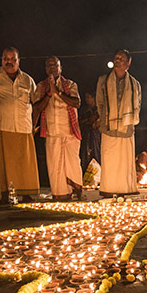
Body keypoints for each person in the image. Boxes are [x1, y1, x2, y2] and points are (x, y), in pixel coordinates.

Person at [0, 47, 38, 205]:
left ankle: (27, 194)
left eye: (12, 59)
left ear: (18, 61)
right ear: (1, 60)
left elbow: (36, 102)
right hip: (4, 124)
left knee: (26, 161)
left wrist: (36, 124)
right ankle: (6, 194)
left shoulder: (27, 79)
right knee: (5, 162)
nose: (9, 62)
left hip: (24, 125)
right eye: (6, 59)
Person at [34, 56, 83, 201]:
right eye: (49, 65)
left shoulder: (70, 84)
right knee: (55, 166)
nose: (52, 67)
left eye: (55, 65)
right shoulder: (41, 87)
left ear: (61, 68)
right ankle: (61, 194)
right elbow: (37, 107)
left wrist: (58, 93)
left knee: (73, 163)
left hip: (70, 132)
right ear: (45, 69)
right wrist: (49, 94)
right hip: (52, 133)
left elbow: (76, 103)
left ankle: (76, 191)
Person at [96, 49, 141, 197]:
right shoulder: (103, 80)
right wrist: (107, 118)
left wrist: (126, 120)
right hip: (108, 127)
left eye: (121, 59)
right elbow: (100, 103)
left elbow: (137, 106)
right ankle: (109, 190)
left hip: (126, 128)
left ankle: (124, 190)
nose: (117, 60)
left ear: (128, 63)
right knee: (109, 160)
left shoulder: (135, 84)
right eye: (116, 58)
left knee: (124, 161)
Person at [78, 91, 101, 167]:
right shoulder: (85, 110)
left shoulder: (99, 110)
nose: (86, 99)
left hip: (96, 139)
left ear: (93, 98)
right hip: (86, 138)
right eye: (86, 97)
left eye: (88, 97)